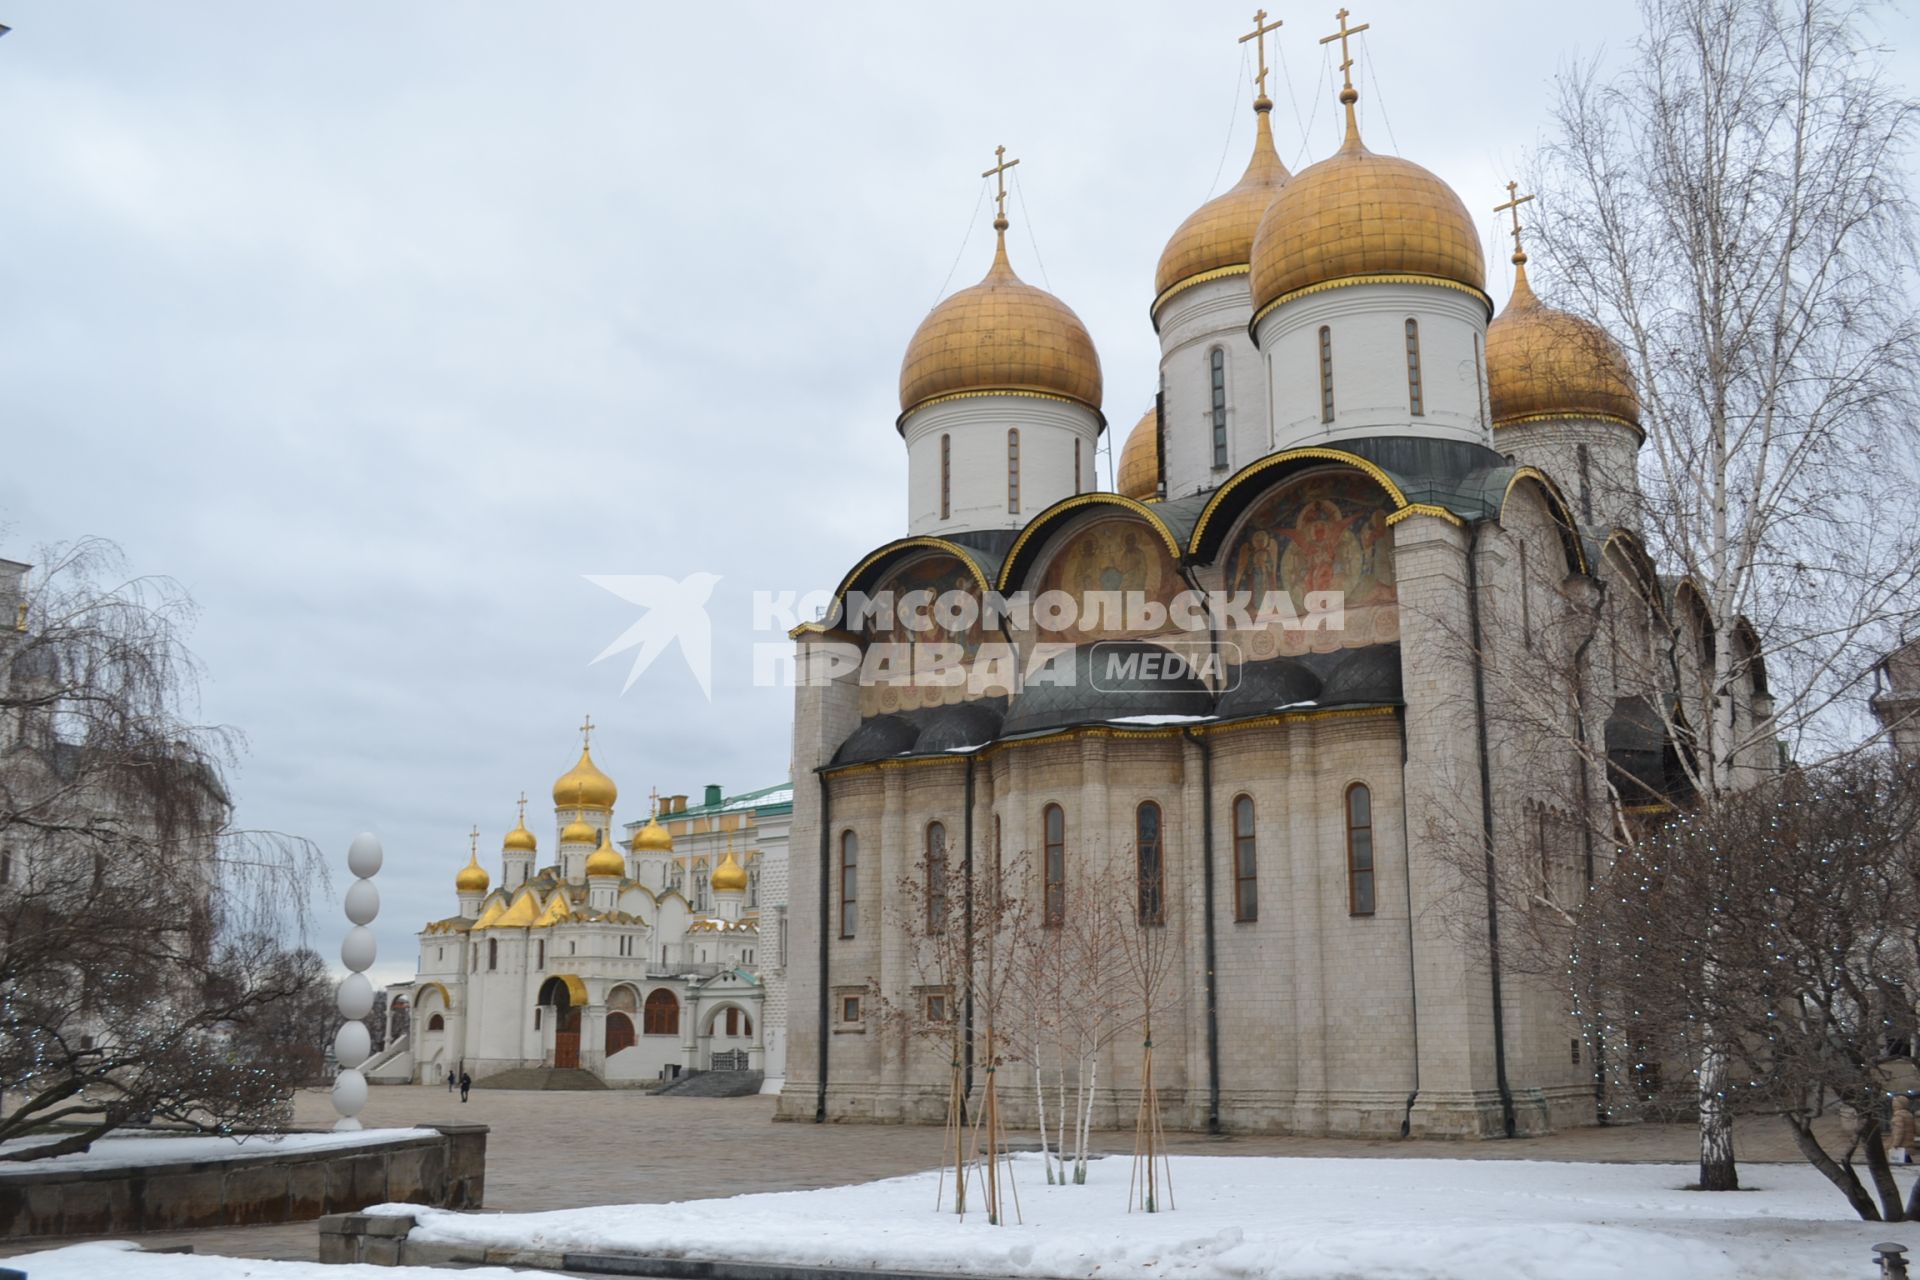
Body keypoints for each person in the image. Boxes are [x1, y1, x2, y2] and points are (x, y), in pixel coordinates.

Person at [1891, 1094, 1914, 1165]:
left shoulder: (1898, 1115)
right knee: (1907, 1160)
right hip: (1908, 1143)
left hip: (1901, 1145)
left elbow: (1899, 1131)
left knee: (1902, 1163)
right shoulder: (1909, 1115)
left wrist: (1895, 1144)